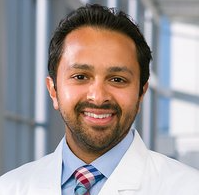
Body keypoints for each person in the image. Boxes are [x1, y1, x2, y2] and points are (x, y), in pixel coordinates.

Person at [0, 4, 199, 195]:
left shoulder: (190, 188)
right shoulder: (9, 188)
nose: (98, 97)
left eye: (117, 79)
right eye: (80, 76)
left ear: (141, 94)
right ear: (53, 91)